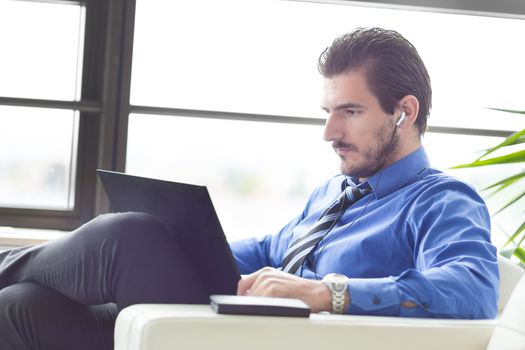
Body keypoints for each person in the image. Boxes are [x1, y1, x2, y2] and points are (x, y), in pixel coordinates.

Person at [0, 27, 498, 350]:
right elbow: (267, 251)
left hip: (276, 341)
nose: (330, 133)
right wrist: (190, 246)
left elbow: (473, 288)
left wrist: (328, 292)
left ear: (404, 112)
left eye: (350, 112)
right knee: (22, 307)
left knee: (129, 237)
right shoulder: (334, 192)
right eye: (328, 113)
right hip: (234, 326)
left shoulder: (442, 201)